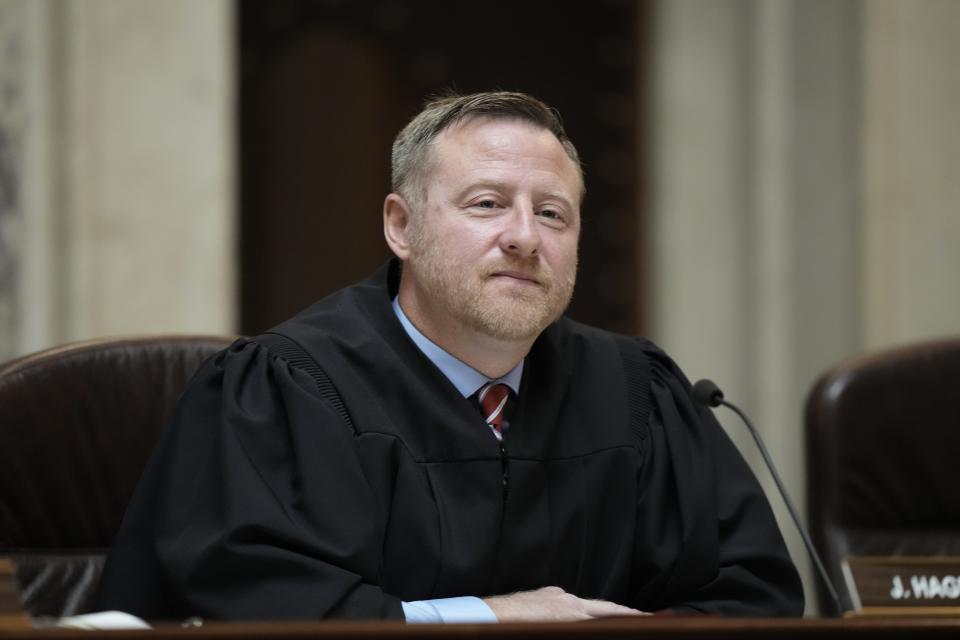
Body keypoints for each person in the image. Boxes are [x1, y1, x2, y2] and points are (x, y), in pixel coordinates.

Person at [95, 91, 804, 622]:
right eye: (488, 203)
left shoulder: (635, 395)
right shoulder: (286, 389)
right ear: (401, 226)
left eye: (552, 213)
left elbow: (752, 598)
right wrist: (490, 618)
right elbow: (237, 609)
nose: (525, 237)